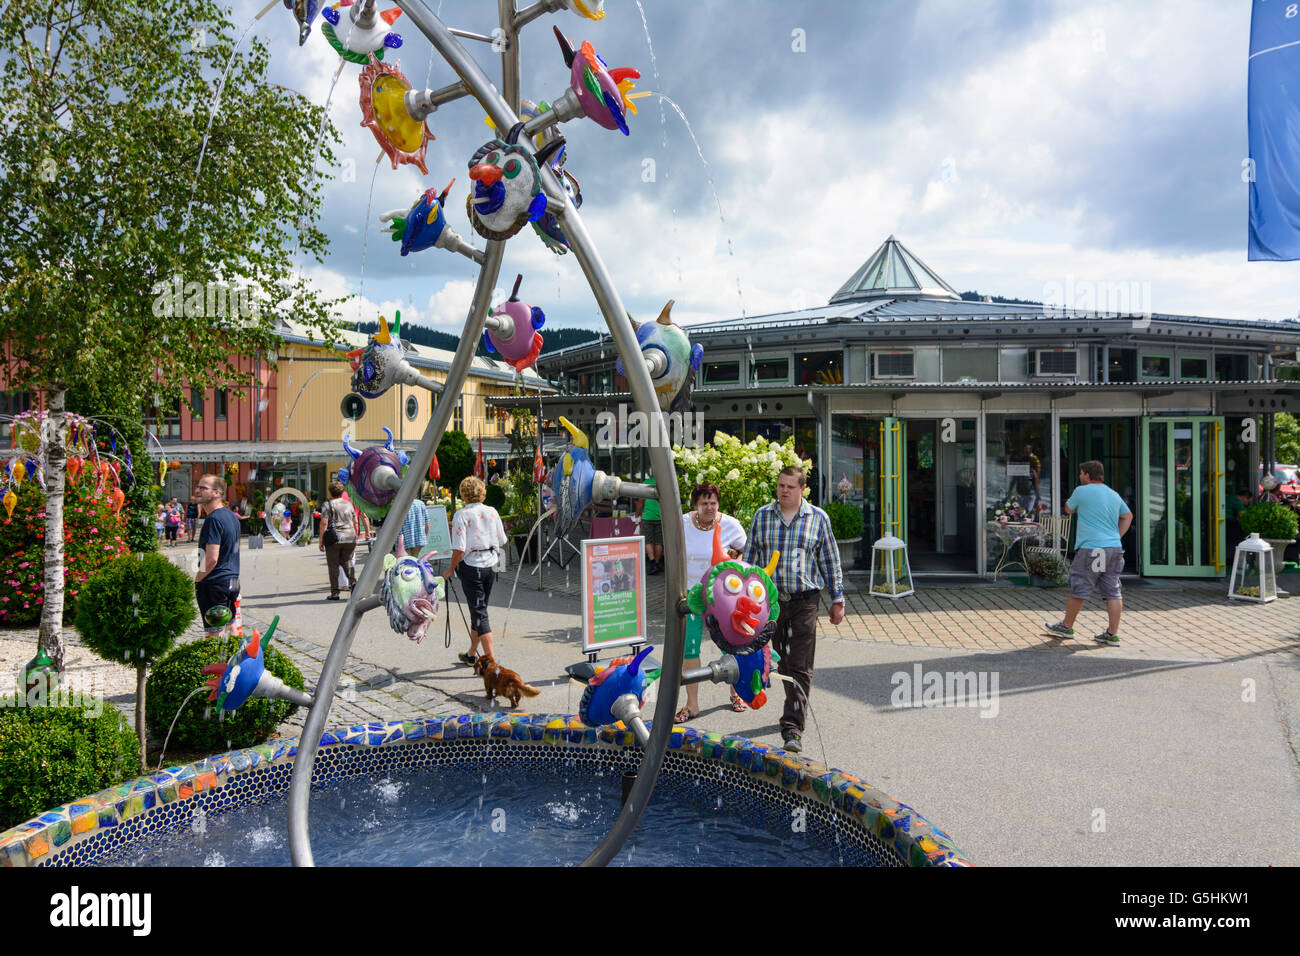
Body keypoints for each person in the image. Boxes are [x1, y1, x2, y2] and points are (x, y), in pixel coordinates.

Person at [742, 466, 845, 754]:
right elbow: (749, 562)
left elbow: (830, 561)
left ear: (802, 489)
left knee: (799, 665)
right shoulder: (763, 516)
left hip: (805, 601)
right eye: (780, 485)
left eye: (789, 486)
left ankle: (792, 728)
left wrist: (838, 599)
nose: (783, 490)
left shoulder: (818, 519)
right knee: (783, 663)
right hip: (772, 604)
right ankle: (795, 705)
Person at [676, 482, 747, 722]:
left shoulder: (730, 525)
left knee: (729, 644)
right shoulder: (683, 523)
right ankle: (692, 704)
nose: (709, 507)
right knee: (690, 648)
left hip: (720, 596)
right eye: (704, 503)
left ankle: (736, 693)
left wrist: (734, 562)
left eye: (713, 503)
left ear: (719, 504)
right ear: (695, 504)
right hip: (691, 595)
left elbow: (743, 548)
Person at [1045, 460, 1133, 645]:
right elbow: (1127, 516)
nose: (1079, 476)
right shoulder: (1113, 494)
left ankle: (1067, 627)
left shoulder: (1081, 491)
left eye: (1081, 473)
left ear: (1086, 474)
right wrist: (1116, 535)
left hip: (1093, 549)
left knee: (1081, 585)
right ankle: (1112, 634)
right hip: (1114, 549)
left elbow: (1068, 509)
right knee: (1113, 591)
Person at [443, 476, 508, 666]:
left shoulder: (461, 515)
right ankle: (472, 654)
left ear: (464, 494)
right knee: (479, 610)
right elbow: (503, 540)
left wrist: (450, 569)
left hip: (472, 567)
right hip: (490, 565)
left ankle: (492, 664)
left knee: (480, 613)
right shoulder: (492, 511)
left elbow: (459, 549)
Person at [194, 474, 241, 637]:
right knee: (231, 626)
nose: (197, 490)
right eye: (198, 486)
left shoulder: (213, 519)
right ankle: (237, 661)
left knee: (214, 634)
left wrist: (198, 578)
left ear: (217, 493)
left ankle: (216, 662)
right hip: (231, 580)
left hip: (214, 582)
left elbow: (212, 558)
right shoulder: (230, 516)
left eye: (203, 488)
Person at [319, 480, 359, 600]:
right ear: (342, 492)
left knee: (333, 565)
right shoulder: (349, 504)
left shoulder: (327, 504)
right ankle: (354, 584)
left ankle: (335, 592)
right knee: (347, 561)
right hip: (350, 536)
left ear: (330, 492)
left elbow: (324, 523)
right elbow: (355, 521)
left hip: (334, 538)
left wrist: (321, 541)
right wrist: (356, 535)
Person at [636, 475, 664, 575]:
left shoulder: (646, 483)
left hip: (647, 517)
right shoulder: (664, 483)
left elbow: (640, 502)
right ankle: (656, 563)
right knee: (658, 542)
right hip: (660, 517)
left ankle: (652, 562)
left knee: (646, 540)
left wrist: (637, 515)